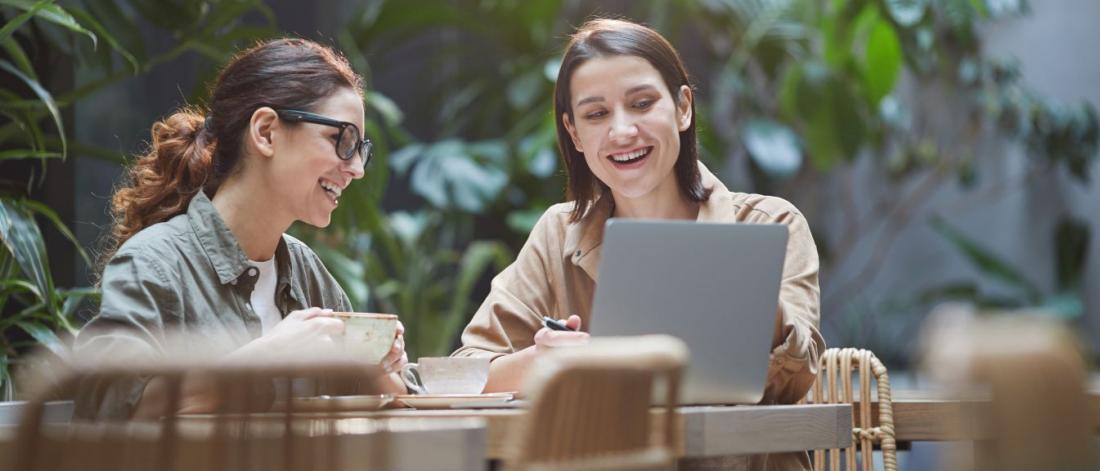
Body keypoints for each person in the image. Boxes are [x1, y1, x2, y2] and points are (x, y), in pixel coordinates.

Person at [453, 18, 824, 470]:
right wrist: (544, 360)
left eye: (642, 103)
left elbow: (797, 378)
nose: (622, 131)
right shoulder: (558, 235)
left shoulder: (771, 223)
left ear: (683, 107)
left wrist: (740, 288)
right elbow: (468, 373)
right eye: (596, 114)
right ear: (574, 133)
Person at [75, 38, 407, 419]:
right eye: (341, 140)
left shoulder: (308, 274)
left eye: (360, 149)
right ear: (266, 132)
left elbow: (388, 406)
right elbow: (109, 411)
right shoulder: (154, 262)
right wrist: (265, 359)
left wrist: (381, 371)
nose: (357, 169)